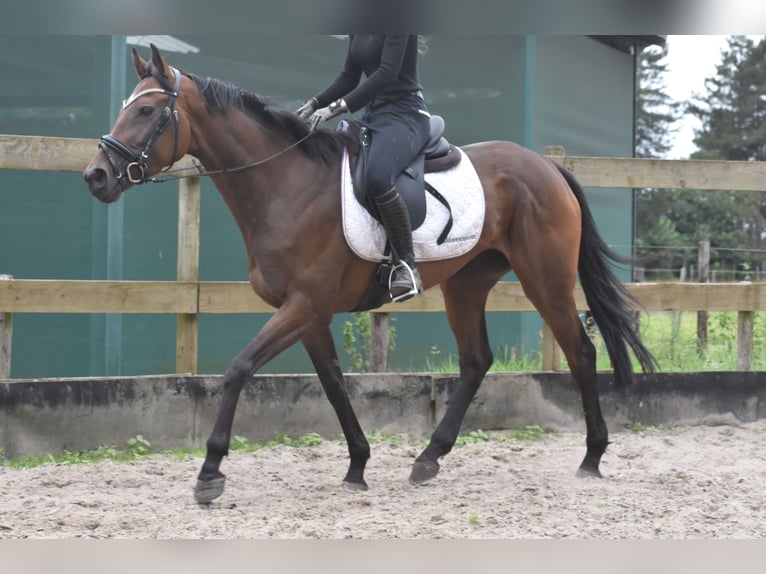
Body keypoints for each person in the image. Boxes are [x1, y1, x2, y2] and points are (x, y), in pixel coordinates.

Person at [296, 35, 430, 303]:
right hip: (373, 117)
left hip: (406, 115)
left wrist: (336, 108)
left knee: (378, 177)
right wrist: (315, 103)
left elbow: (386, 73)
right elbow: (348, 77)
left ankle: (406, 265)